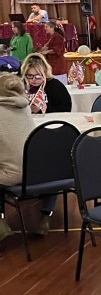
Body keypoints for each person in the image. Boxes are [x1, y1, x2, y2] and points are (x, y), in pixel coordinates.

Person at [0, 73, 58, 239]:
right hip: (38, 173)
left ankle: (1, 223)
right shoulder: (25, 107)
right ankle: (46, 216)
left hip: (13, 176)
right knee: (51, 167)